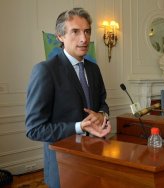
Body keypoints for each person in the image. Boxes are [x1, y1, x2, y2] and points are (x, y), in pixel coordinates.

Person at [25, 8, 111, 188]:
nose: (84, 38)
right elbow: (34, 129)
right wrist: (79, 127)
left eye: (87, 31)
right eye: (75, 31)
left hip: (95, 158)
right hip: (63, 166)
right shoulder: (45, 71)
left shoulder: (94, 69)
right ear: (60, 36)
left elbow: (102, 102)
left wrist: (102, 115)